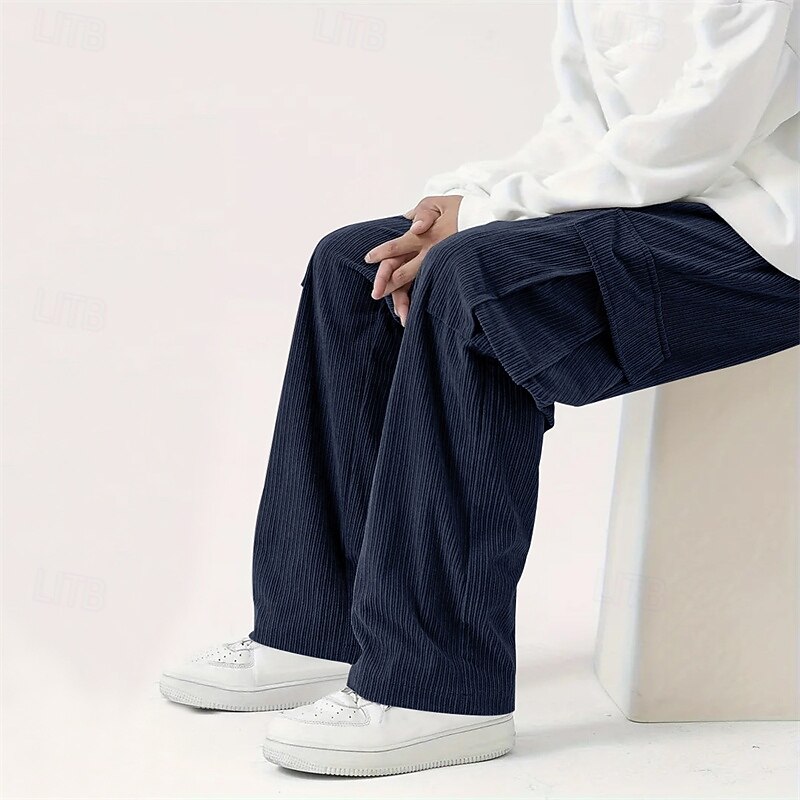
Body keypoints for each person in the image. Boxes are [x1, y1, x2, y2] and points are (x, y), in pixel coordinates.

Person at [160, 0, 799, 777]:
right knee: (352, 264)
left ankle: (440, 687)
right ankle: (317, 629)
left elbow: (703, 131)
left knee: (475, 279)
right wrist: (459, 198)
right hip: (668, 211)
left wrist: (491, 216)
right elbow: (585, 126)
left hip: (770, 239)